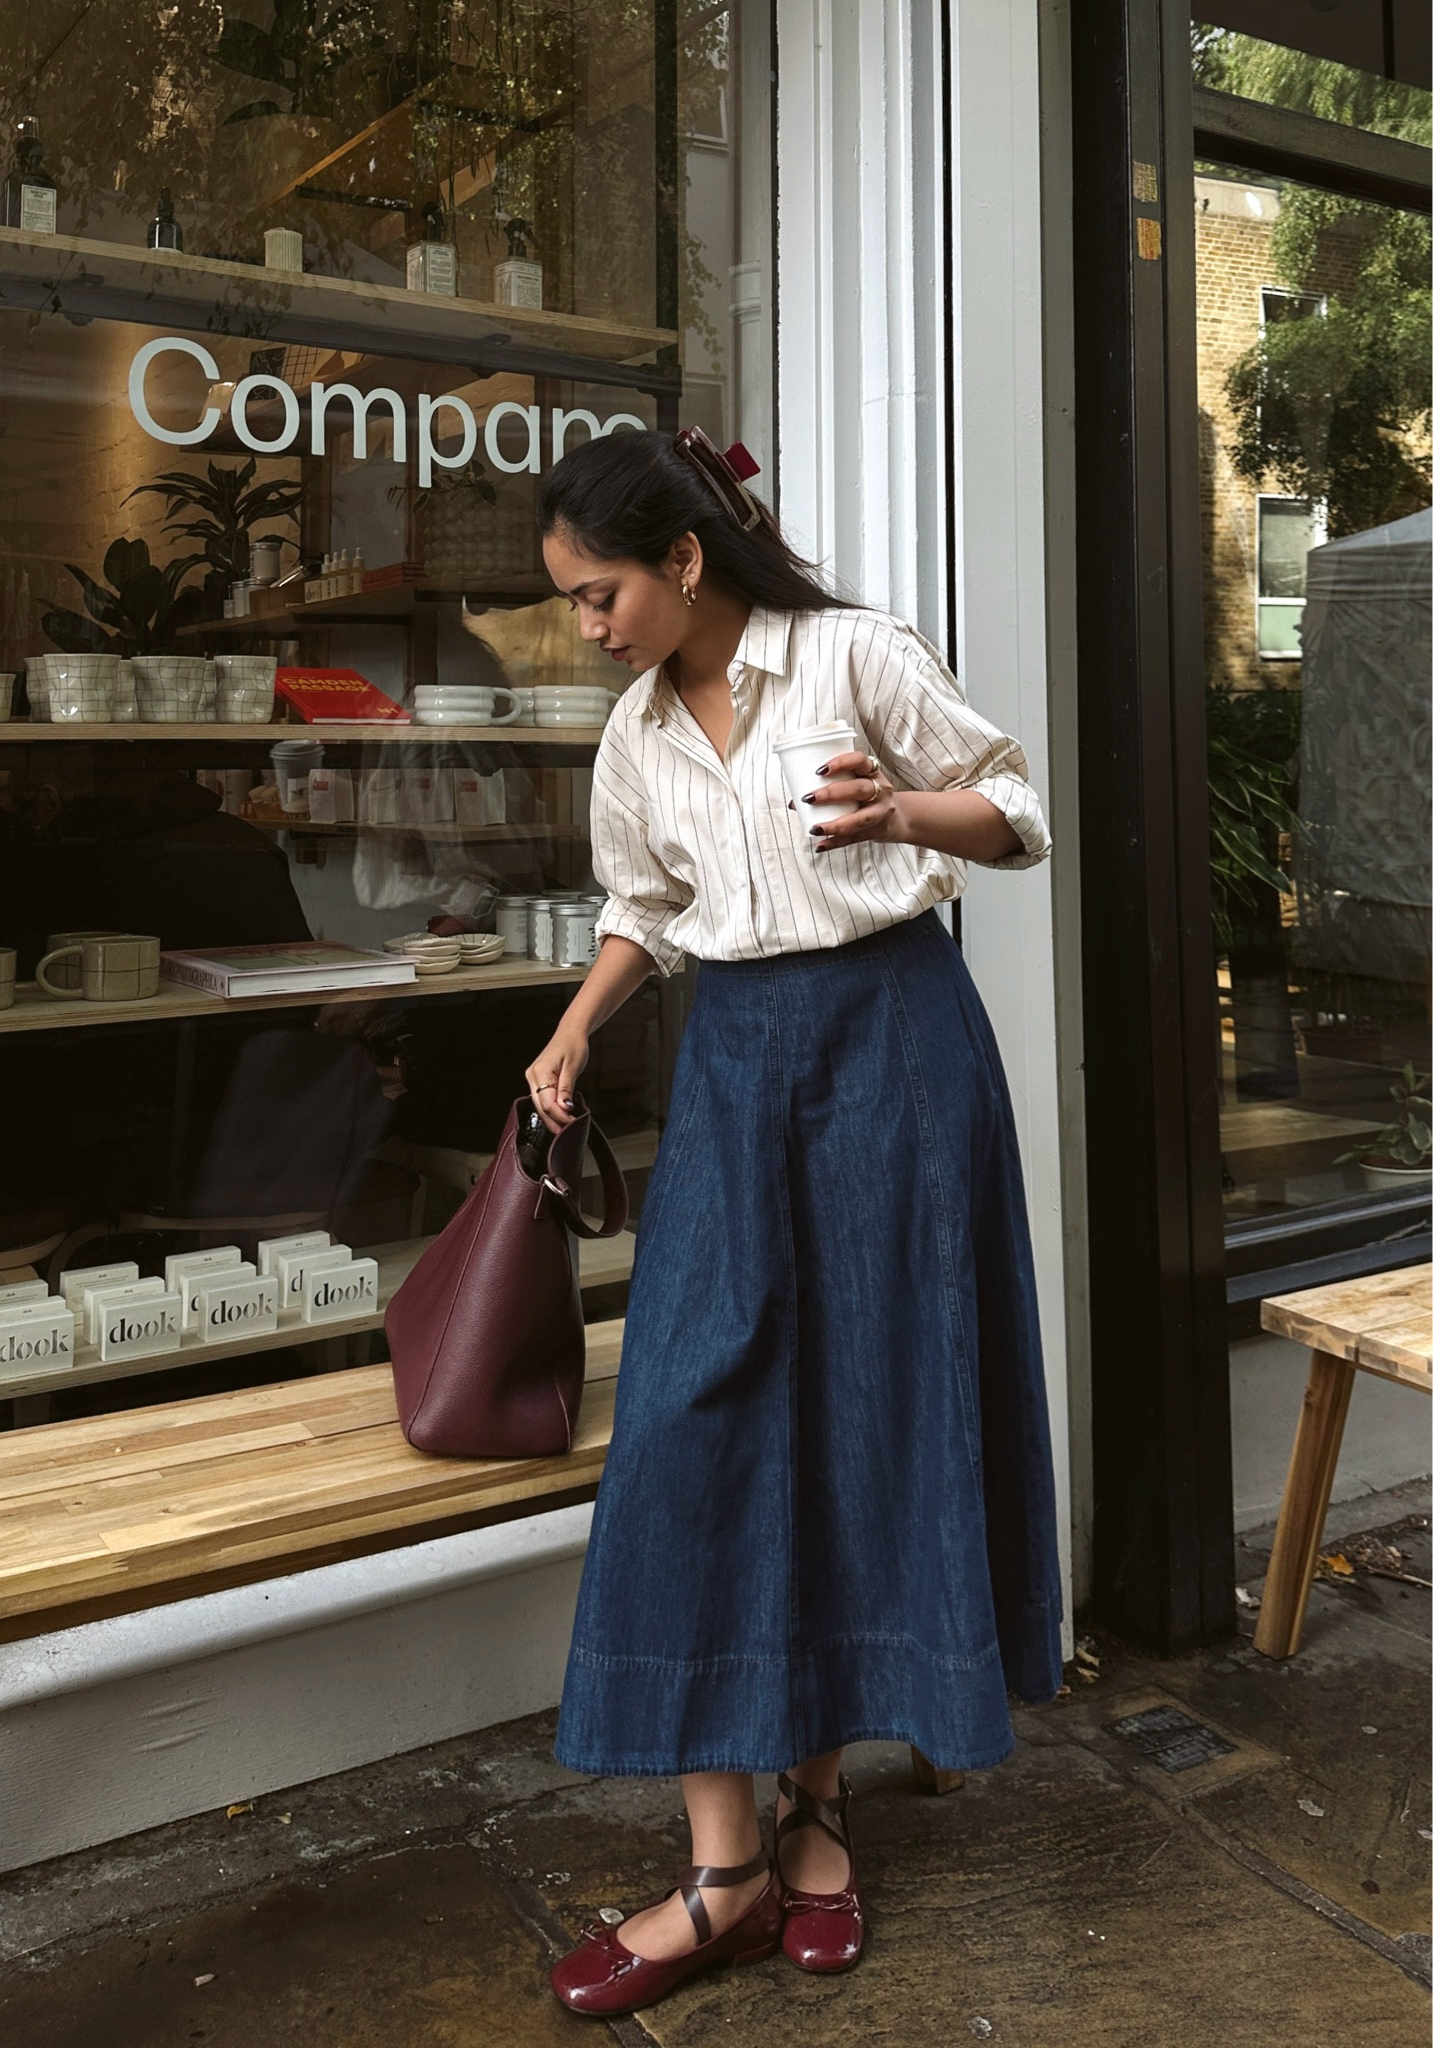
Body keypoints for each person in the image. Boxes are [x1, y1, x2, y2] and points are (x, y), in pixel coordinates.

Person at [525, 426, 1063, 2017]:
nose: (586, 625)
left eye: (598, 590)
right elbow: (648, 906)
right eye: (565, 602)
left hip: (897, 1057)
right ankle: (725, 1867)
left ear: (682, 559)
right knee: (690, 1423)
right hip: (738, 1071)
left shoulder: (853, 656)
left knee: (857, 1415)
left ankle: (815, 1812)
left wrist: (903, 812)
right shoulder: (633, 735)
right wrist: (569, 1032)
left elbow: (1017, 807)